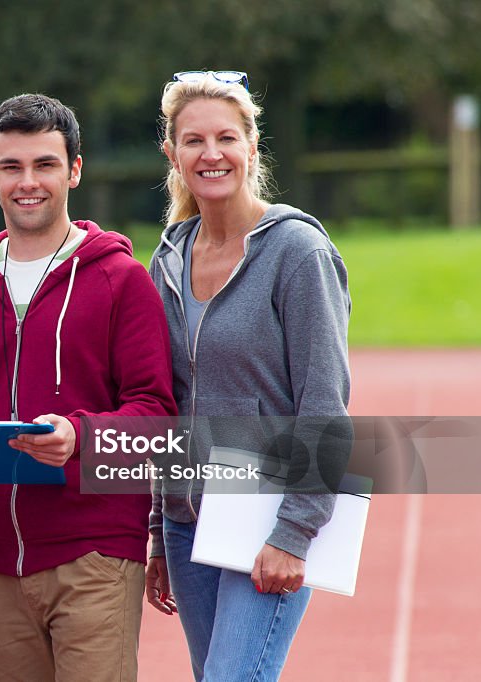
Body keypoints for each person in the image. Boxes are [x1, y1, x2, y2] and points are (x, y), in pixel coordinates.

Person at [0, 93, 177, 682]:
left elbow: (157, 414)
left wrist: (81, 437)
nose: (27, 182)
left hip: (94, 556)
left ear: (75, 170)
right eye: (11, 166)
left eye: (44, 164)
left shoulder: (122, 280)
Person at [147, 70, 351, 681]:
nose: (211, 154)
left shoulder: (298, 253)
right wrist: (161, 529)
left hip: (266, 518)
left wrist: (294, 532)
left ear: (251, 147)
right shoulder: (169, 258)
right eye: (193, 141)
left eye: (226, 138)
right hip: (189, 527)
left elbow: (324, 402)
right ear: (172, 153)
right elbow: (169, 404)